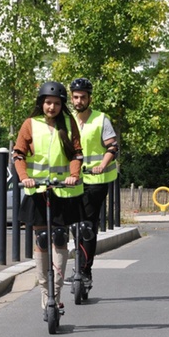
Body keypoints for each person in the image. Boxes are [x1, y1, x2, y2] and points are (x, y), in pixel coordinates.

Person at [12, 81, 84, 320]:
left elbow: (76, 153)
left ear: (62, 105)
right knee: (43, 239)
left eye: (56, 103)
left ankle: (56, 292)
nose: (51, 107)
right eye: (47, 102)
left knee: (61, 237)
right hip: (38, 191)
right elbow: (19, 155)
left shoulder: (68, 124)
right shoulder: (30, 124)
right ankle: (45, 293)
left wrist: (74, 175)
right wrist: (25, 178)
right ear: (41, 103)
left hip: (63, 191)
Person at [69, 77, 118, 290]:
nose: (79, 101)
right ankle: (79, 266)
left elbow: (112, 147)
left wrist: (101, 164)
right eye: (76, 97)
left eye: (83, 97)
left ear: (90, 98)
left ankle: (85, 271)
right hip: (73, 180)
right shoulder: (67, 119)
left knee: (87, 226)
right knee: (74, 225)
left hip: (96, 180)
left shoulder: (101, 119)